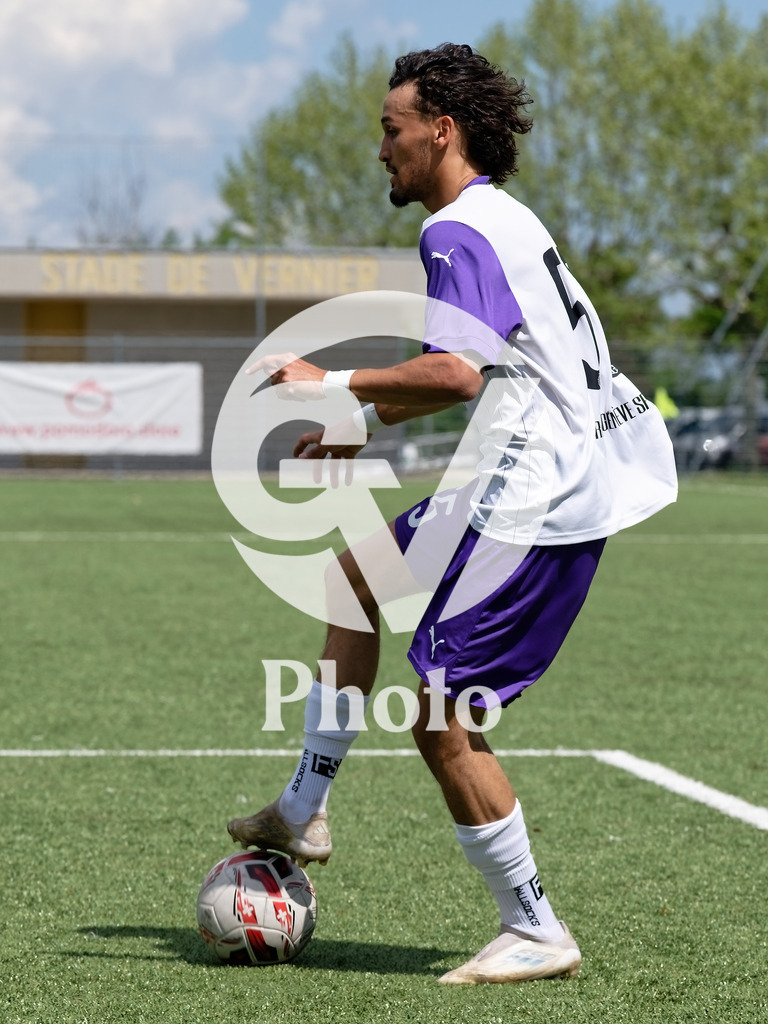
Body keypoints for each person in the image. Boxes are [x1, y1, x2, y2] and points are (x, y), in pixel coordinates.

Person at [228, 43, 677, 984]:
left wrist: (332, 378)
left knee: (441, 717)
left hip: (537, 497)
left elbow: (456, 371)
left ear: (442, 130)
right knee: (354, 578)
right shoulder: (499, 219)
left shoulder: (457, 231)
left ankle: (536, 926)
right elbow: (489, 364)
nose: (381, 149)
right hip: (520, 476)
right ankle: (304, 805)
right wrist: (360, 417)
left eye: (391, 131)